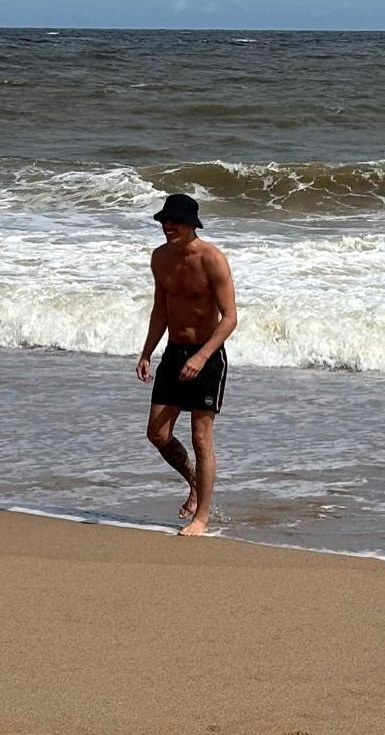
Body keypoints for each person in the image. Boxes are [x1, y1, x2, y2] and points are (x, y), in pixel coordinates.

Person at [136, 194, 237, 536]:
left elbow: (230, 318)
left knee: (200, 436)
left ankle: (202, 518)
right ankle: (194, 483)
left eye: (174, 222)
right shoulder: (160, 259)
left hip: (207, 357)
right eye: (164, 221)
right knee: (157, 433)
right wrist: (147, 352)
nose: (168, 226)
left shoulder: (212, 259)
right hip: (174, 352)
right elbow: (160, 311)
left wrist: (202, 355)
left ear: (192, 225)